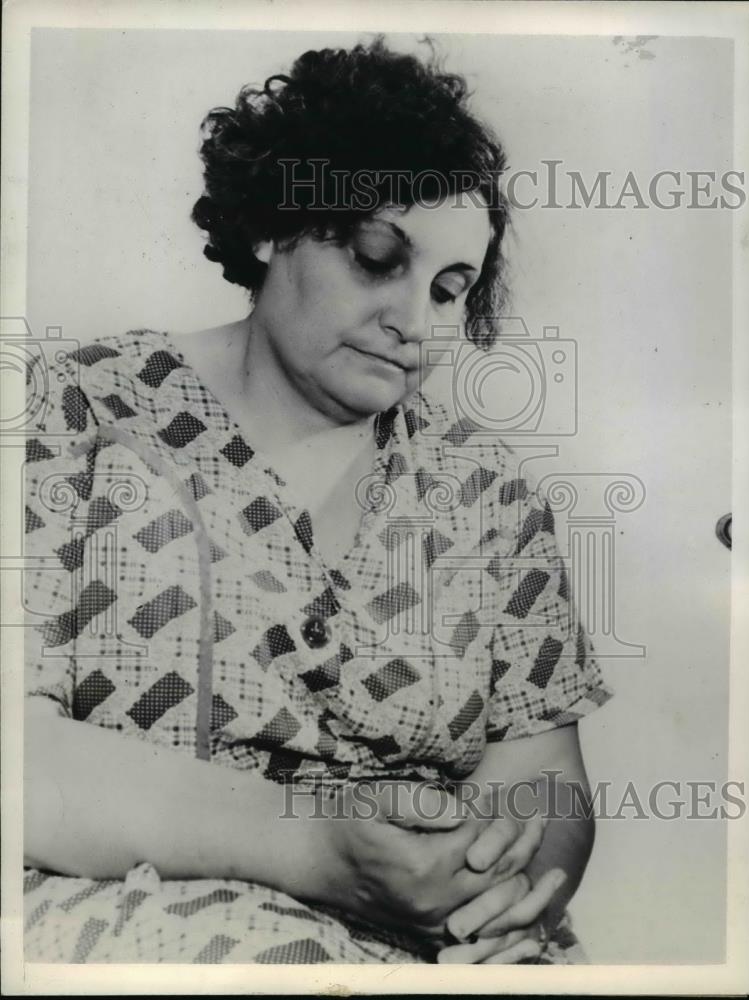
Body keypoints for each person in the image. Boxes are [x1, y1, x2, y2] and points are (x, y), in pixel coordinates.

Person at [23, 37, 611, 964]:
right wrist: (314, 845)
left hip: (443, 945)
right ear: (269, 225)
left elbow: (542, 776)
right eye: (380, 257)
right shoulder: (73, 415)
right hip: (147, 925)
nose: (416, 324)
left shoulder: (489, 491)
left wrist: (508, 892)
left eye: (450, 291)